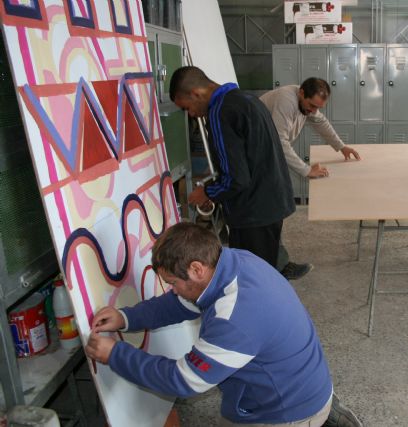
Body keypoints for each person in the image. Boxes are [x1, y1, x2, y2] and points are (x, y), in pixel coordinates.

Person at [85, 222, 363, 427]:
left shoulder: (235, 318)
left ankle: (317, 420)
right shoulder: (234, 262)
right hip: (304, 384)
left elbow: (184, 380)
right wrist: (126, 317)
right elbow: (178, 302)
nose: (173, 290)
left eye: (172, 283)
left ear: (196, 269)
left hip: (286, 411)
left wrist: (115, 354)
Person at [169, 66, 294, 269]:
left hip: (253, 213)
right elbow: (248, 161)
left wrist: (208, 192)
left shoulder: (220, 113)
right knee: (265, 272)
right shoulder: (247, 99)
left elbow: (237, 179)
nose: (191, 114)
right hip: (271, 203)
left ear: (196, 93)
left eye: (187, 107)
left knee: (250, 278)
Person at [260, 78, 361, 280]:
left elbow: (321, 122)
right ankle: (278, 267)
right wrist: (306, 170)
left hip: (267, 152)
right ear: (302, 92)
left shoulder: (306, 105)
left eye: (318, 107)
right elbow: (279, 142)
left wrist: (341, 147)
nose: (314, 111)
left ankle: (273, 263)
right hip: (258, 155)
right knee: (271, 210)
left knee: (272, 210)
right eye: (312, 105)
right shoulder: (286, 101)